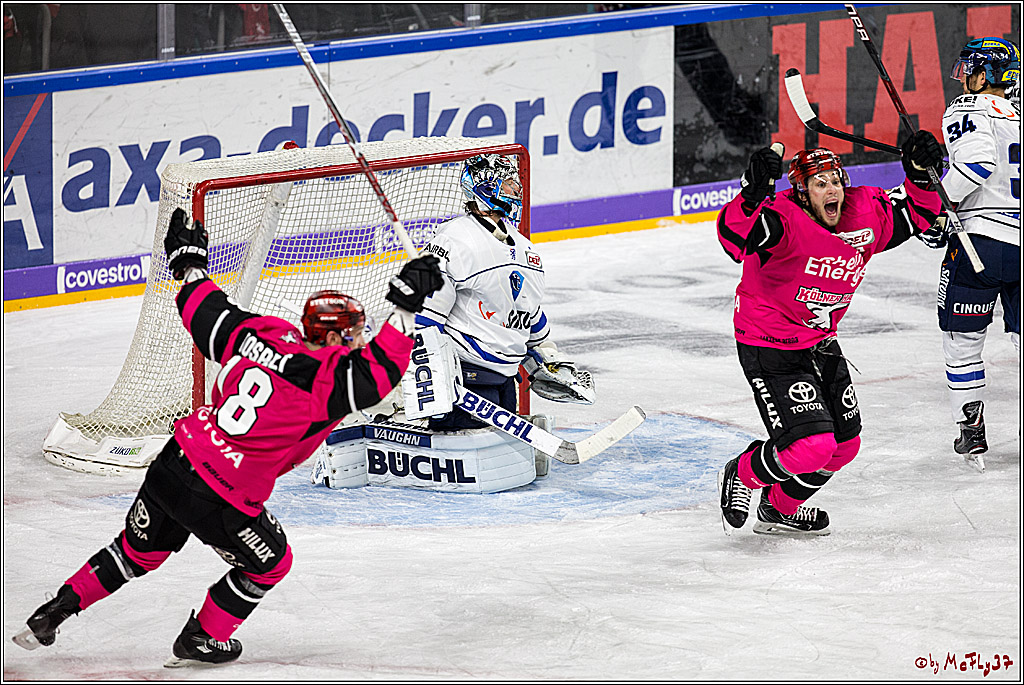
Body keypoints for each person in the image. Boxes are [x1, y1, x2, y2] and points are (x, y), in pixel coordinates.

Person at [11, 208, 443, 665]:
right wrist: (405, 305)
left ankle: (55, 610)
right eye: (355, 335)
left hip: (175, 461)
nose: (359, 341)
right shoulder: (326, 383)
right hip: (223, 495)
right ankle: (203, 636)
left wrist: (187, 263)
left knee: (135, 552)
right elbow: (382, 371)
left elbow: (205, 311)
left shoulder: (264, 332)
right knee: (270, 563)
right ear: (341, 341)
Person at [715, 131, 945, 536]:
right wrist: (750, 196)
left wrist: (921, 175)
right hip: (769, 341)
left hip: (820, 342)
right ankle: (743, 472)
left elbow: (918, 214)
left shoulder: (864, 212)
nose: (832, 189)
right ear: (802, 193)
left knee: (843, 446)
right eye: (820, 184)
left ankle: (779, 509)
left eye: (836, 181)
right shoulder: (781, 218)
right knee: (810, 447)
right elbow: (735, 239)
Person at [415, 153, 594, 435]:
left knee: (503, 466)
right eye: (509, 183)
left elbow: (528, 312)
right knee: (469, 469)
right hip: (466, 381)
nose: (517, 190)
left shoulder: (525, 248)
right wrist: (430, 382)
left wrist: (546, 361)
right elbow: (425, 321)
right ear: (486, 187)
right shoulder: (454, 241)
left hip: (507, 380)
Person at [923, 37, 1020, 472]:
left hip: (981, 241)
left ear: (983, 75)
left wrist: (937, 213)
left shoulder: (967, 108)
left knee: (963, 340)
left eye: (970, 69)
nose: (964, 77)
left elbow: (975, 167)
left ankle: (972, 429)